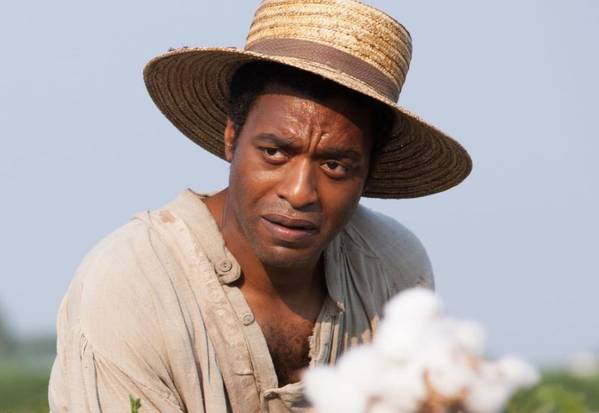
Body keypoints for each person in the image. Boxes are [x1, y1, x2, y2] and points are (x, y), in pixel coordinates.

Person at [49, 0, 472, 412]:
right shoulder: (132, 285)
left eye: (335, 165)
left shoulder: (389, 269)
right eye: (275, 153)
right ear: (232, 138)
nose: (300, 191)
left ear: (368, 172)